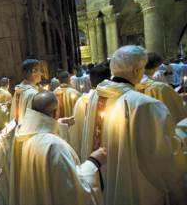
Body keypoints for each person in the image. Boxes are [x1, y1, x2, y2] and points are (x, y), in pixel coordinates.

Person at [80, 45, 187, 205]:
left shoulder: (96, 96)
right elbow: (163, 155)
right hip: (134, 184)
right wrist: (183, 131)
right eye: (143, 68)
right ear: (137, 70)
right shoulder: (144, 104)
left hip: (102, 176)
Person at [9, 91, 105, 205]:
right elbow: (72, 193)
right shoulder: (54, 147)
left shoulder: (23, 135)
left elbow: (43, 132)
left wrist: (59, 125)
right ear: (55, 112)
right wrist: (93, 162)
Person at [71, 63, 111, 157]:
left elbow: (77, 130)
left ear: (90, 81)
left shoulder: (82, 101)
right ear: (110, 78)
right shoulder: (117, 99)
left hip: (90, 149)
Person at [136, 52, 187, 123]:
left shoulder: (135, 82)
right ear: (156, 65)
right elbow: (171, 107)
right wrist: (181, 98)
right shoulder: (159, 87)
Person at [10, 59, 42, 124]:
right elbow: (34, 121)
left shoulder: (18, 90)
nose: (41, 74)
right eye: (40, 70)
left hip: (17, 130)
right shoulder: (33, 94)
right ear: (34, 71)